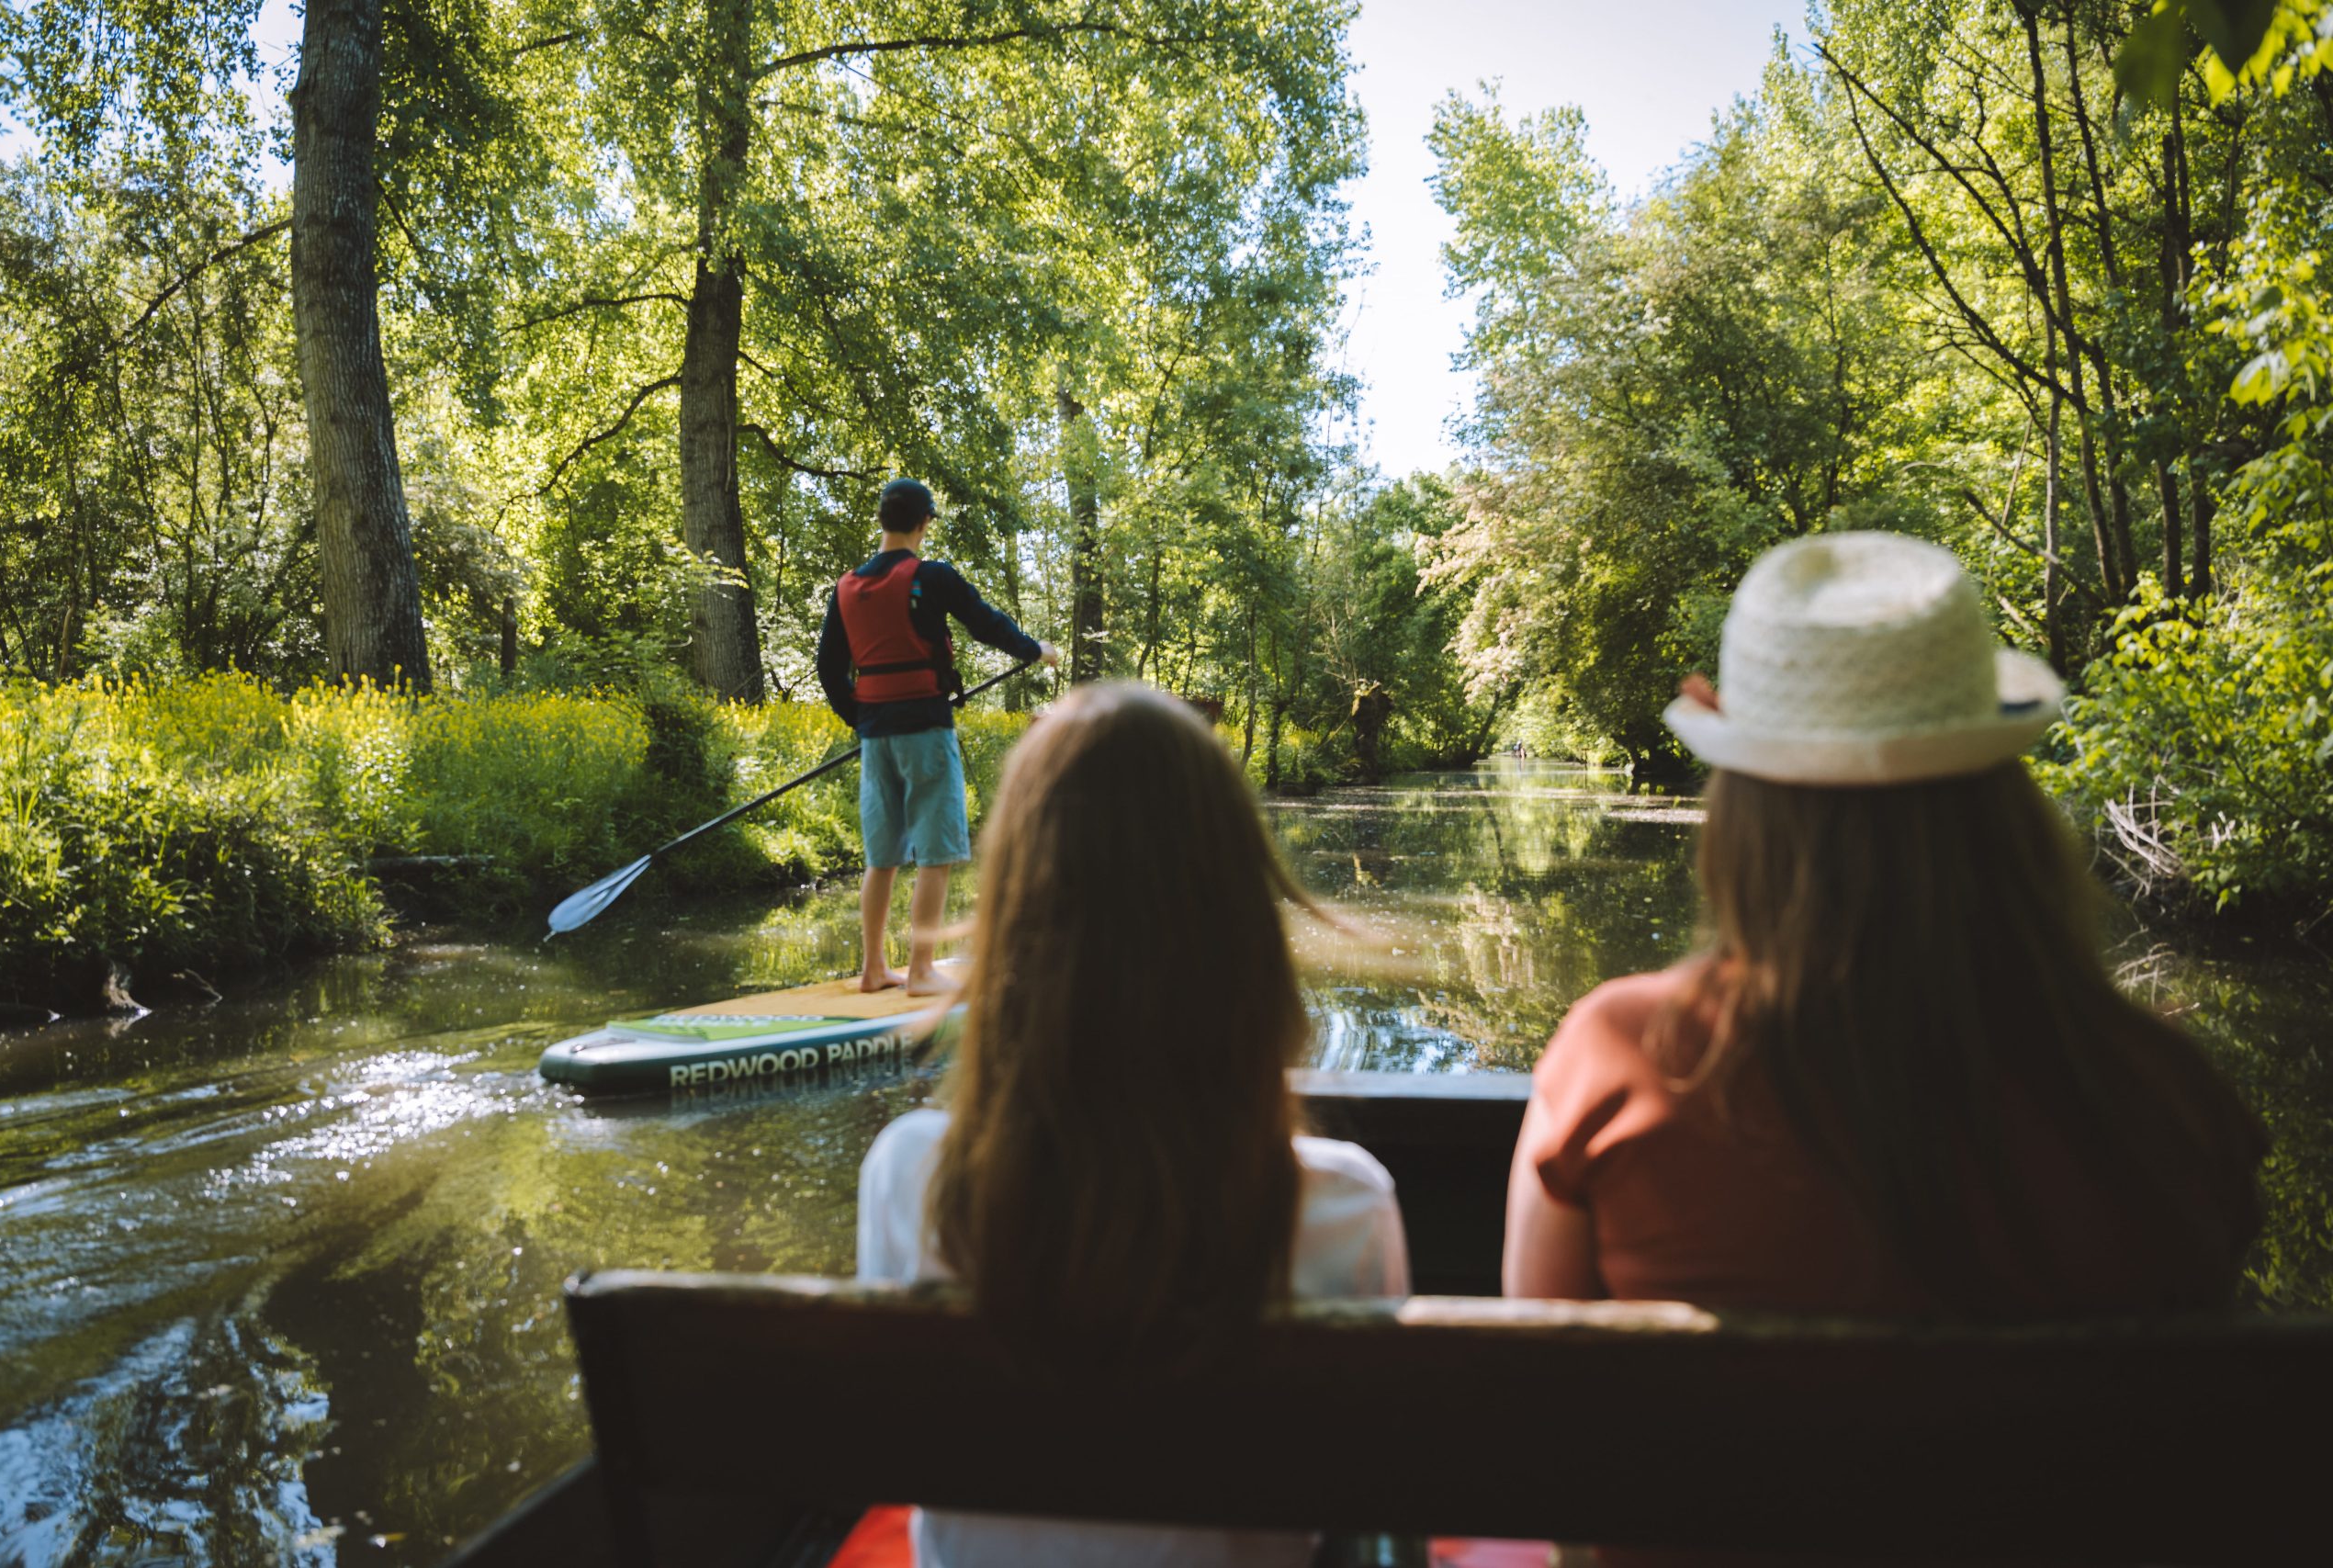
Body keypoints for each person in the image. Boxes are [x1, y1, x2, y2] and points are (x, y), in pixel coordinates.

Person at [1505, 532, 2264, 1330]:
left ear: (1744, 816)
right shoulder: (2172, 1096)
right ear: (2005, 807)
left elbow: (1536, 1393)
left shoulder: (1620, 1055)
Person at [855, 681, 1411, 1568]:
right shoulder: (1342, 1204)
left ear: (1015, 917)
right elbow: (1364, 1486)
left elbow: (900, 1443)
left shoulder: (904, 1177)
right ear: (1235, 923)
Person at [817, 478, 1060, 995]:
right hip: (926, 728)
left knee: (881, 857)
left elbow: (828, 667)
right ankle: (922, 970)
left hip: (877, 736)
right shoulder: (933, 576)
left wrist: (859, 720)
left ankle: (874, 969)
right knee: (936, 852)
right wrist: (1035, 651)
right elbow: (987, 624)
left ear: (883, 519)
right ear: (924, 523)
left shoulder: (847, 588)